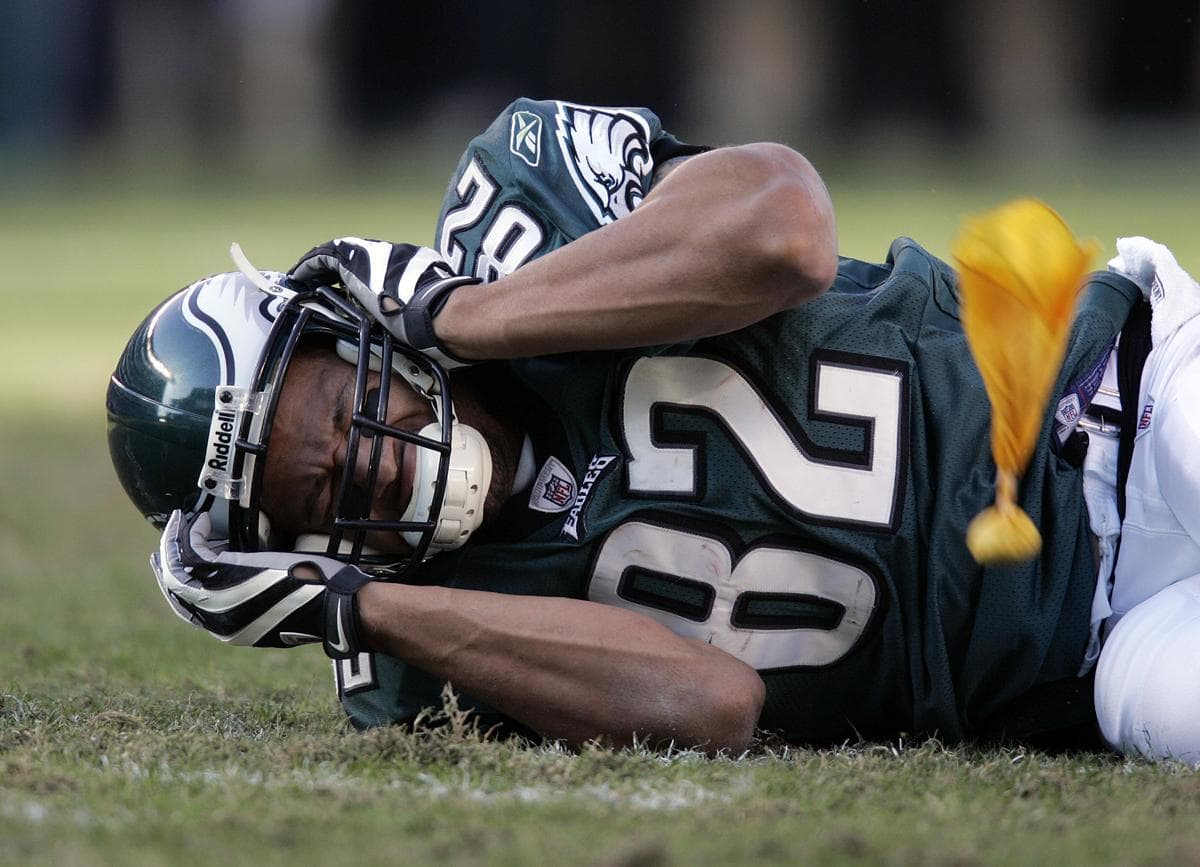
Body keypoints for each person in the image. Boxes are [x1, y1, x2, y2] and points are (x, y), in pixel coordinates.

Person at [107, 98, 1200, 760]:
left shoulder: (517, 202)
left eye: (335, 410)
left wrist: (464, 315)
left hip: (1121, 398)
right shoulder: (414, 658)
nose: (361, 462)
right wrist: (366, 608)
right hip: (1091, 653)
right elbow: (713, 704)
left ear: (356, 331)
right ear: (281, 559)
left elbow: (786, 230)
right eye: (308, 492)